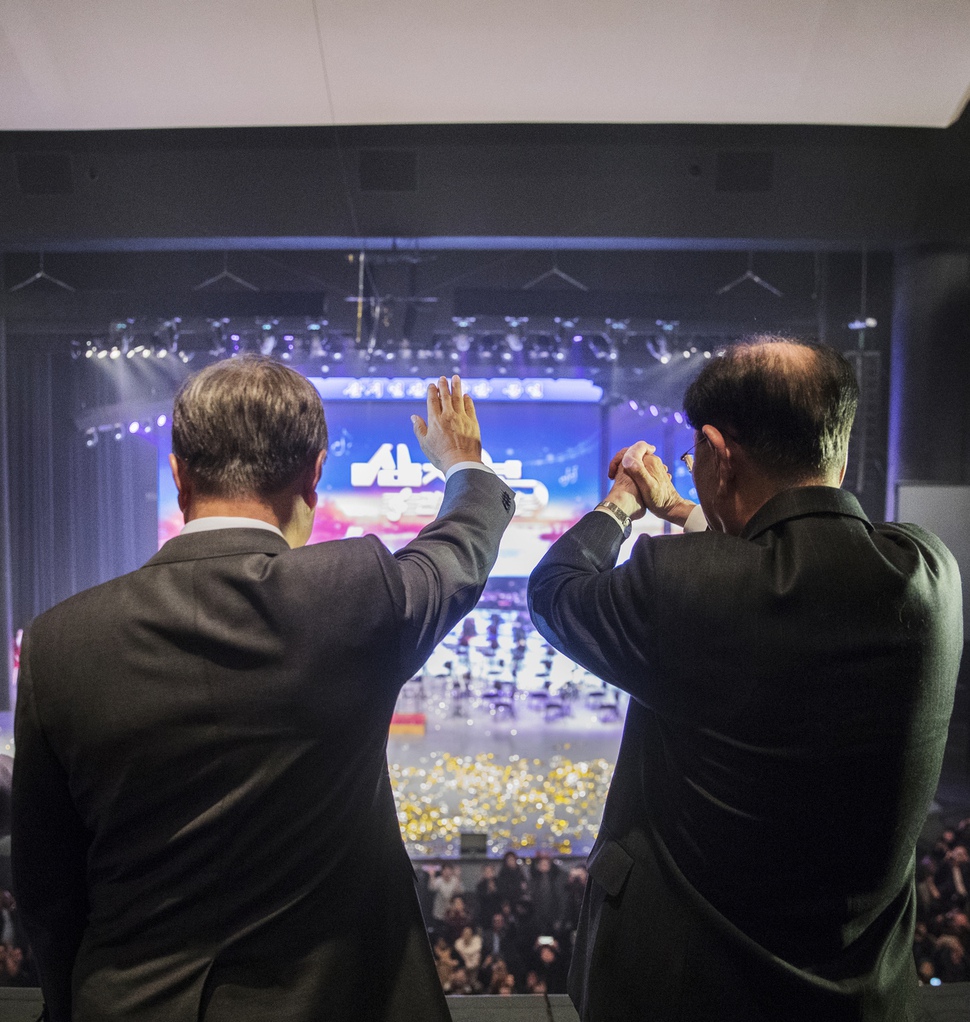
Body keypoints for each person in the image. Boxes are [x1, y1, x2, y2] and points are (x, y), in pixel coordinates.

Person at [11, 359, 515, 1022]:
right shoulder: (358, 593)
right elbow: (461, 548)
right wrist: (465, 465)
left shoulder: (57, 643)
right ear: (314, 472)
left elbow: (47, 890)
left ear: (178, 474)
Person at [528, 338, 963, 1022]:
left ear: (715, 452)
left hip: (688, 996)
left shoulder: (680, 586)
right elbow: (776, 570)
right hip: (862, 1001)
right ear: (838, 450)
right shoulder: (927, 574)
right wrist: (680, 508)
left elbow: (556, 592)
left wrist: (622, 504)